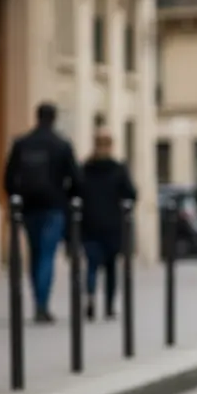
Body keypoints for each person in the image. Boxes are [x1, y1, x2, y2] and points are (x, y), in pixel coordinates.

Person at [3, 102, 81, 324]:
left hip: (28, 207)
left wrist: (16, 198)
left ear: (36, 117)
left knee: (35, 253)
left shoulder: (22, 143)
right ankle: (42, 305)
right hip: (54, 206)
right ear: (54, 118)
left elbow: (8, 178)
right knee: (47, 255)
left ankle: (38, 299)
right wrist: (69, 199)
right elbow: (75, 179)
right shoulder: (62, 145)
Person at [77, 130, 137, 321]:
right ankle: (109, 305)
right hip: (112, 224)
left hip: (90, 223)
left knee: (92, 265)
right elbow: (131, 194)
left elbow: (75, 191)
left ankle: (91, 297)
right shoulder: (118, 169)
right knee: (111, 267)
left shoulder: (86, 168)